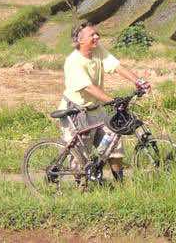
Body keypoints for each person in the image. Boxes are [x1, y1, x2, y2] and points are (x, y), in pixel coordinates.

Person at [57, 21, 151, 182]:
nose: (96, 36)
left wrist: (138, 81)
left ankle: (120, 183)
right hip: (76, 112)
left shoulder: (98, 50)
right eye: (92, 35)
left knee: (114, 144)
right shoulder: (73, 61)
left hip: (96, 109)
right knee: (80, 154)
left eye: (96, 33)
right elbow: (89, 88)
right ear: (80, 41)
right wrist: (112, 101)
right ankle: (81, 188)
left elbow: (116, 66)